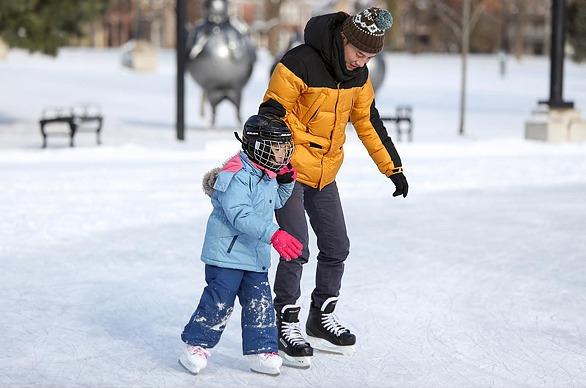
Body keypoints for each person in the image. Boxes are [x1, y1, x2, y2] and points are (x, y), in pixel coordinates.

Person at [258, 7, 409, 367]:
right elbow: (270, 113)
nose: (362, 61)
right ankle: (285, 322)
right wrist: (277, 165)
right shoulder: (299, 62)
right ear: (345, 38)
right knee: (295, 247)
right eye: (359, 52)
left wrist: (393, 169)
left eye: (370, 56)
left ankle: (319, 317)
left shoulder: (359, 77)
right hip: (289, 172)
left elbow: (368, 122)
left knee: (337, 245)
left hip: (325, 174)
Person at [178, 114, 304, 376]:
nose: (282, 154)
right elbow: (240, 214)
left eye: (284, 148)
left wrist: (286, 182)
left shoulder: (266, 172)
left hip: (254, 254)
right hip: (227, 255)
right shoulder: (236, 173)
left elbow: (276, 203)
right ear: (257, 146)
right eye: (276, 147)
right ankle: (196, 345)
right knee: (219, 301)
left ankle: (261, 349)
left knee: (260, 303)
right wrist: (274, 234)